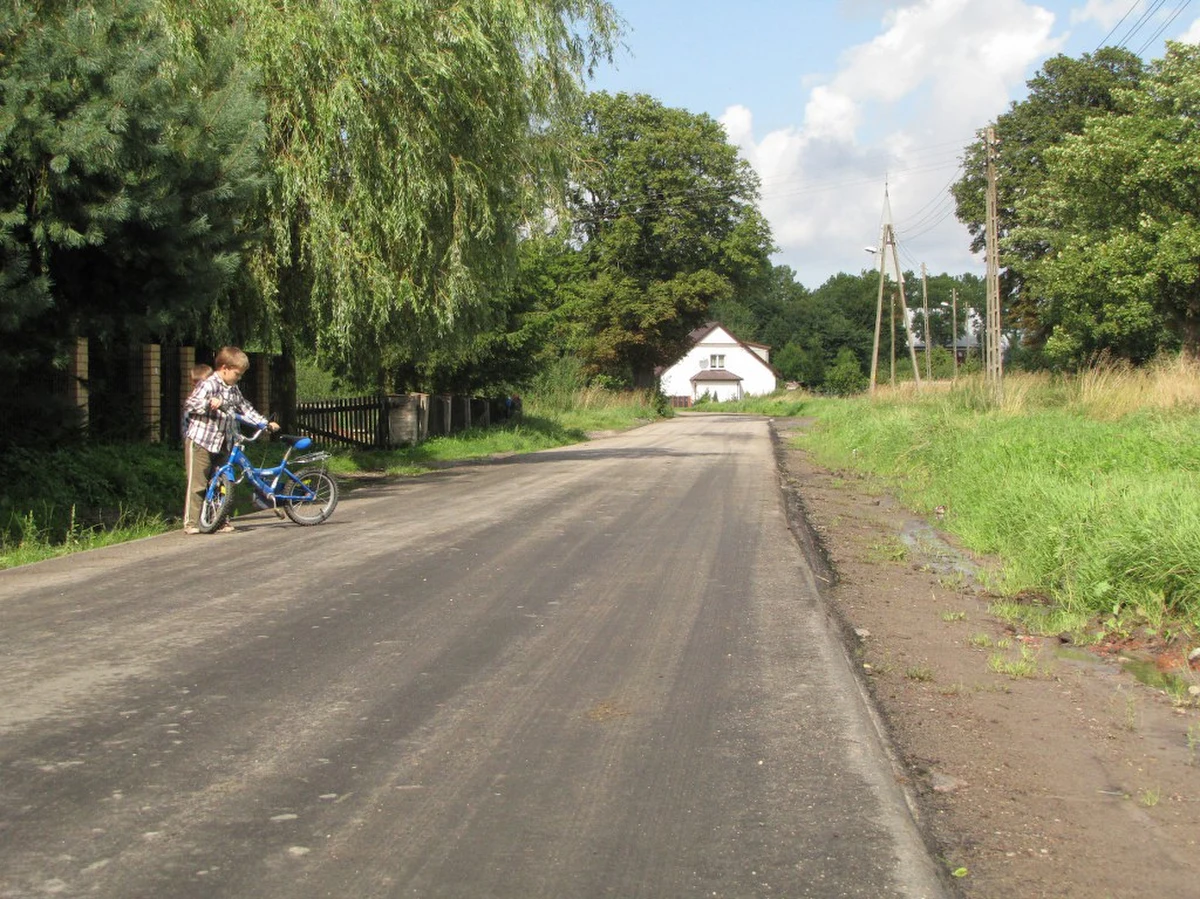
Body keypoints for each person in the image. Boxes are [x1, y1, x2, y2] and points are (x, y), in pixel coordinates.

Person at [181, 347, 279, 534]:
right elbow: (191, 404)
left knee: (223, 482)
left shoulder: (233, 389)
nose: (239, 378)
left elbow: (245, 408)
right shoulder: (209, 384)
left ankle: (220, 521)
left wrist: (264, 423)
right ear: (224, 368)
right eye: (237, 374)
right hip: (202, 441)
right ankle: (191, 523)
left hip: (224, 443)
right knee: (198, 484)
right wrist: (209, 404)